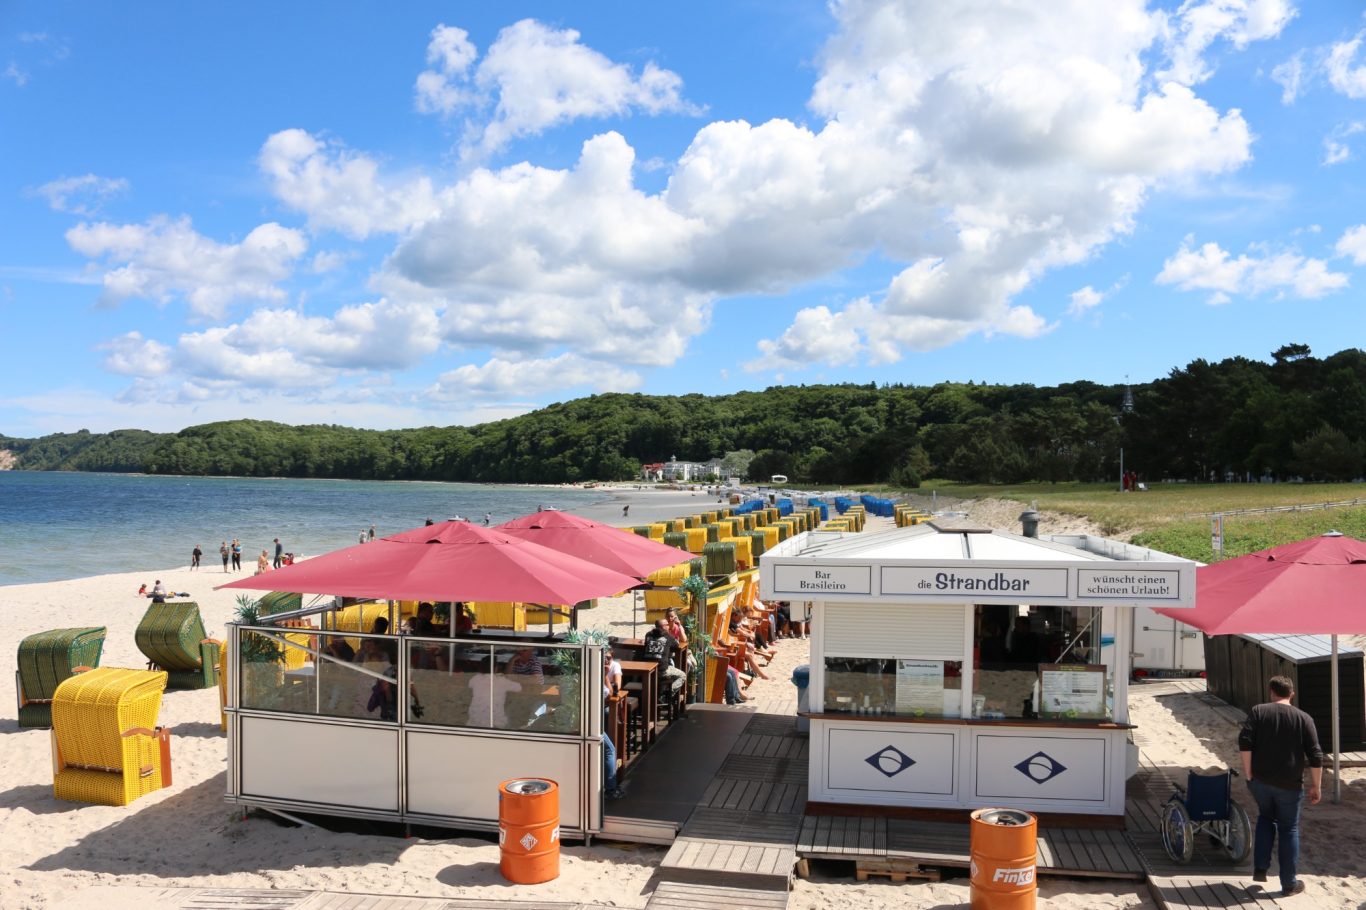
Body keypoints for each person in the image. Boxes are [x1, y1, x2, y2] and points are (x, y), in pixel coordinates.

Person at [1239, 675, 1324, 897]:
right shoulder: (1304, 718)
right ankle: (1288, 883)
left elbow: (1245, 741)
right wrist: (1316, 785)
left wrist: (1248, 773)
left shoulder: (1258, 711)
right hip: (1290, 784)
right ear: (1292, 694)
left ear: (1271, 692)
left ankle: (1260, 868)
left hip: (1260, 781)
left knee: (1266, 817)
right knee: (1289, 829)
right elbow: (1316, 755)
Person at [643, 619, 686, 694]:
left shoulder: (648, 635)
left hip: (647, 668)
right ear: (663, 627)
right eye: (667, 625)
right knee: (682, 675)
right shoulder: (668, 636)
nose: (669, 626)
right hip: (661, 670)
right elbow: (676, 644)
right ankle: (668, 693)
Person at [603, 650, 625, 798]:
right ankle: (610, 789)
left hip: (594, 713)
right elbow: (610, 693)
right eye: (603, 658)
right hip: (591, 718)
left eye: (608, 658)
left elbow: (617, 687)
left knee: (607, 713)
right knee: (610, 750)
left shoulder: (615, 666)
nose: (606, 660)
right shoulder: (595, 676)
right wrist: (604, 675)